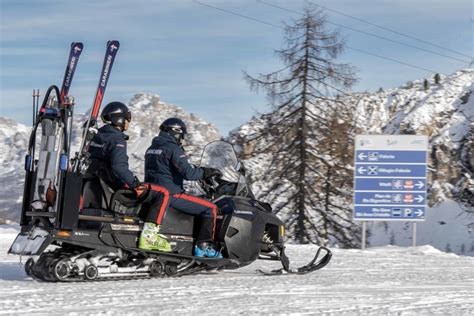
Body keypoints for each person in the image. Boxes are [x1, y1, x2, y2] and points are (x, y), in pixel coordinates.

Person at [84, 101, 170, 251]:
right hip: (115, 188)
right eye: (127, 118)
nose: (128, 122)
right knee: (162, 193)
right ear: (119, 119)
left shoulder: (97, 136)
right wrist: (135, 184)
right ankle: (149, 237)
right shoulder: (116, 139)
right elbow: (119, 167)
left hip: (100, 184)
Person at [144, 118, 223, 258]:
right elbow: (189, 174)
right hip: (172, 194)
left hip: (154, 192)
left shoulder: (151, 148)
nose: (181, 139)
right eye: (181, 136)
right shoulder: (173, 148)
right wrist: (205, 172)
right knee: (210, 208)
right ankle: (203, 247)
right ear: (175, 132)